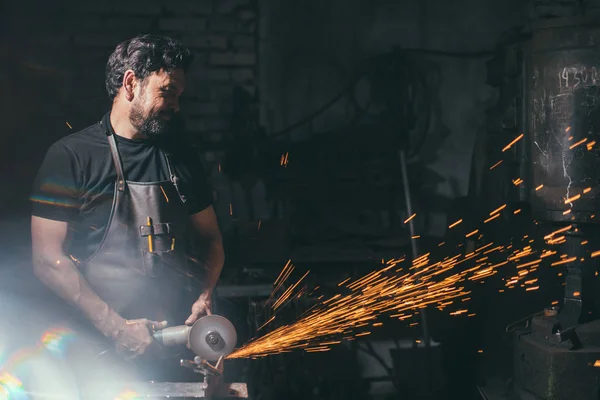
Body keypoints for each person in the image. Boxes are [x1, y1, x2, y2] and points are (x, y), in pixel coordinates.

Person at [30, 34, 224, 367]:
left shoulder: (181, 159)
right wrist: (117, 328)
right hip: (95, 354)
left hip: (173, 346)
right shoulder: (71, 157)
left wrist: (204, 294)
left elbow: (210, 239)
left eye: (179, 95)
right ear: (131, 83)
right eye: (167, 91)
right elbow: (48, 260)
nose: (176, 105)